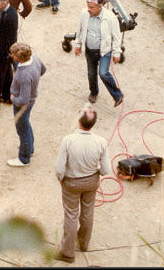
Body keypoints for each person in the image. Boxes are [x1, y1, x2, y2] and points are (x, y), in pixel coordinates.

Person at [54, 104, 111, 263]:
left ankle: (67, 252)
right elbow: (106, 169)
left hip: (71, 182)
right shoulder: (101, 141)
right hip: (91, 181)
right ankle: (84, 243)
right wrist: (95, 174)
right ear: (94, 124)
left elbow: (59, 168)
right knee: (88, 211)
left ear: (79, 120)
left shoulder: (68, 140)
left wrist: (62, 179)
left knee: (71, 215)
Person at [74, 0, 124, 107]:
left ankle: (118, 95)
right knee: (91, 74)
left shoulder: (110, 18)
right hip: (90, 50)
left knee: (103, 73)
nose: (88, 9)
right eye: (88, 6)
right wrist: (78, 44)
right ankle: (93, 93)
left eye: (91, 7)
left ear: (100, 7)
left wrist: (116, 52)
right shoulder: (84, 14)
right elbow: (80, 30)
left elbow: (117, 37)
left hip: (104, 51)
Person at [7, 42, 46, 167]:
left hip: (23, 105)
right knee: (26, 124)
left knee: (22, 128)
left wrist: (13, 98)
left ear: (19, 58)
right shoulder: (35, 58)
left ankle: (24, 158)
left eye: (13, 55)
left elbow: (23, 100)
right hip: (31, 100)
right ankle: (29, 148)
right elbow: (43, 69)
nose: (12, 56)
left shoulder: (24, 74)